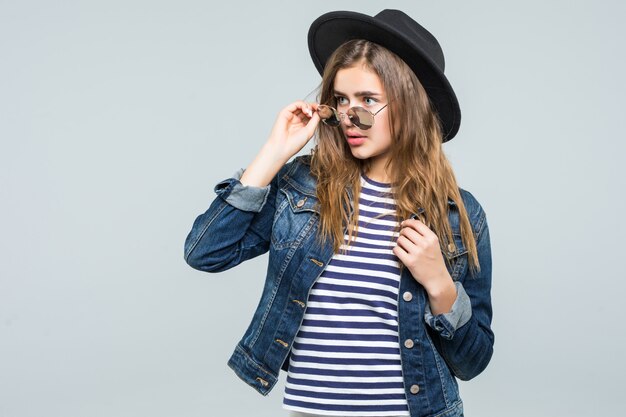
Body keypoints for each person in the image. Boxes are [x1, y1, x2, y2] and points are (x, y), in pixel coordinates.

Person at [184, 9, 494, 417]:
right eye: (341, 101)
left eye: (368, 101)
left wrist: (440, 285)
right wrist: (273, 155)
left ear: (411, 107)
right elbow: (205, 253)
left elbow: (473, 361)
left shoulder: (459, 213)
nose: (351, 117)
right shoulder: (303, 187)